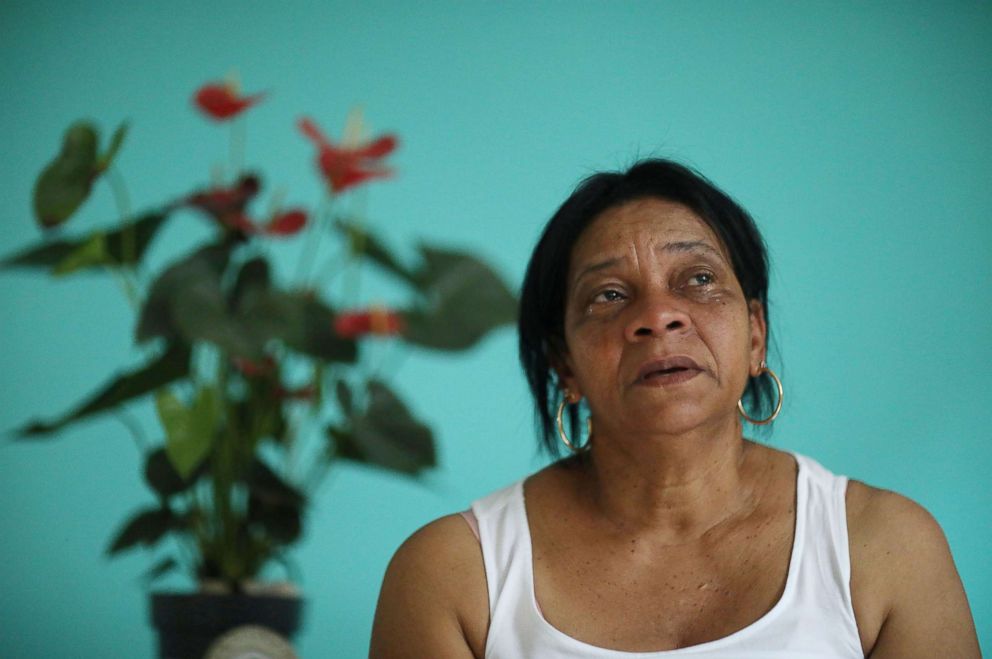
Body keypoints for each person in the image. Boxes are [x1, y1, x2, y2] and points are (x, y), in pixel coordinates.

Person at [369, 159, 980, 658]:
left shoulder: (884, 547)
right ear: (564, 365)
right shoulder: (454, 575)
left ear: (756, 335)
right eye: (609, 295)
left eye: (698, 280)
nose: (658, 316)